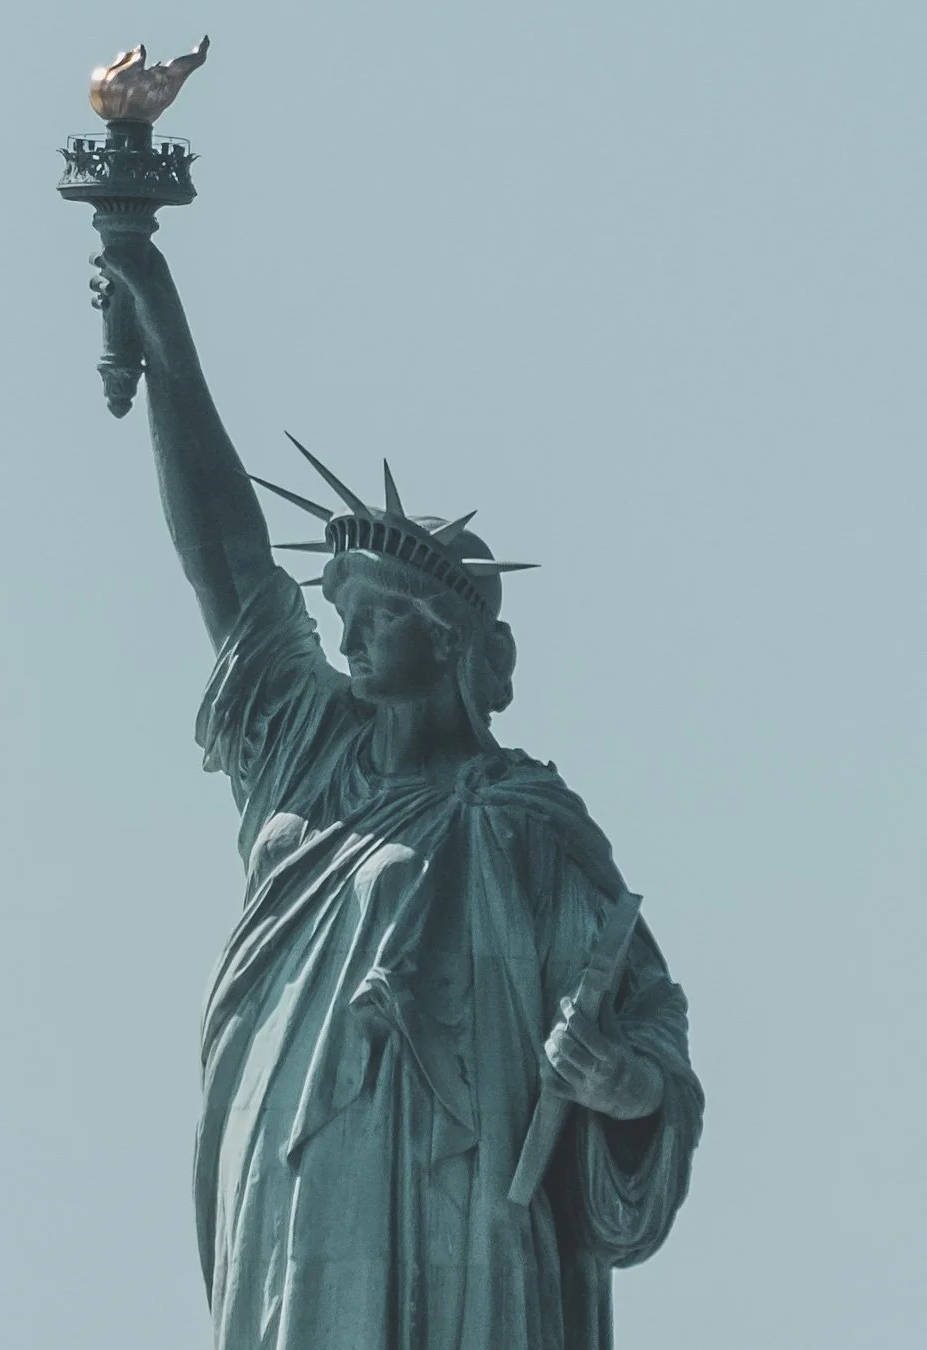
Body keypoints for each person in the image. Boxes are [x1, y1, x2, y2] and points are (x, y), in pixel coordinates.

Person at [89, 241, 704, 1350]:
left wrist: (627, 1088)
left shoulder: (529, 830)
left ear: (452, 642)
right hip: (297, 1181)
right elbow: (225, 564)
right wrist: (165, 332)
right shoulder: (308, 756)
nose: (347, 632)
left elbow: (648, 1016)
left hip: (471, 1221)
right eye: (345, 610)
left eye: (378, 614)